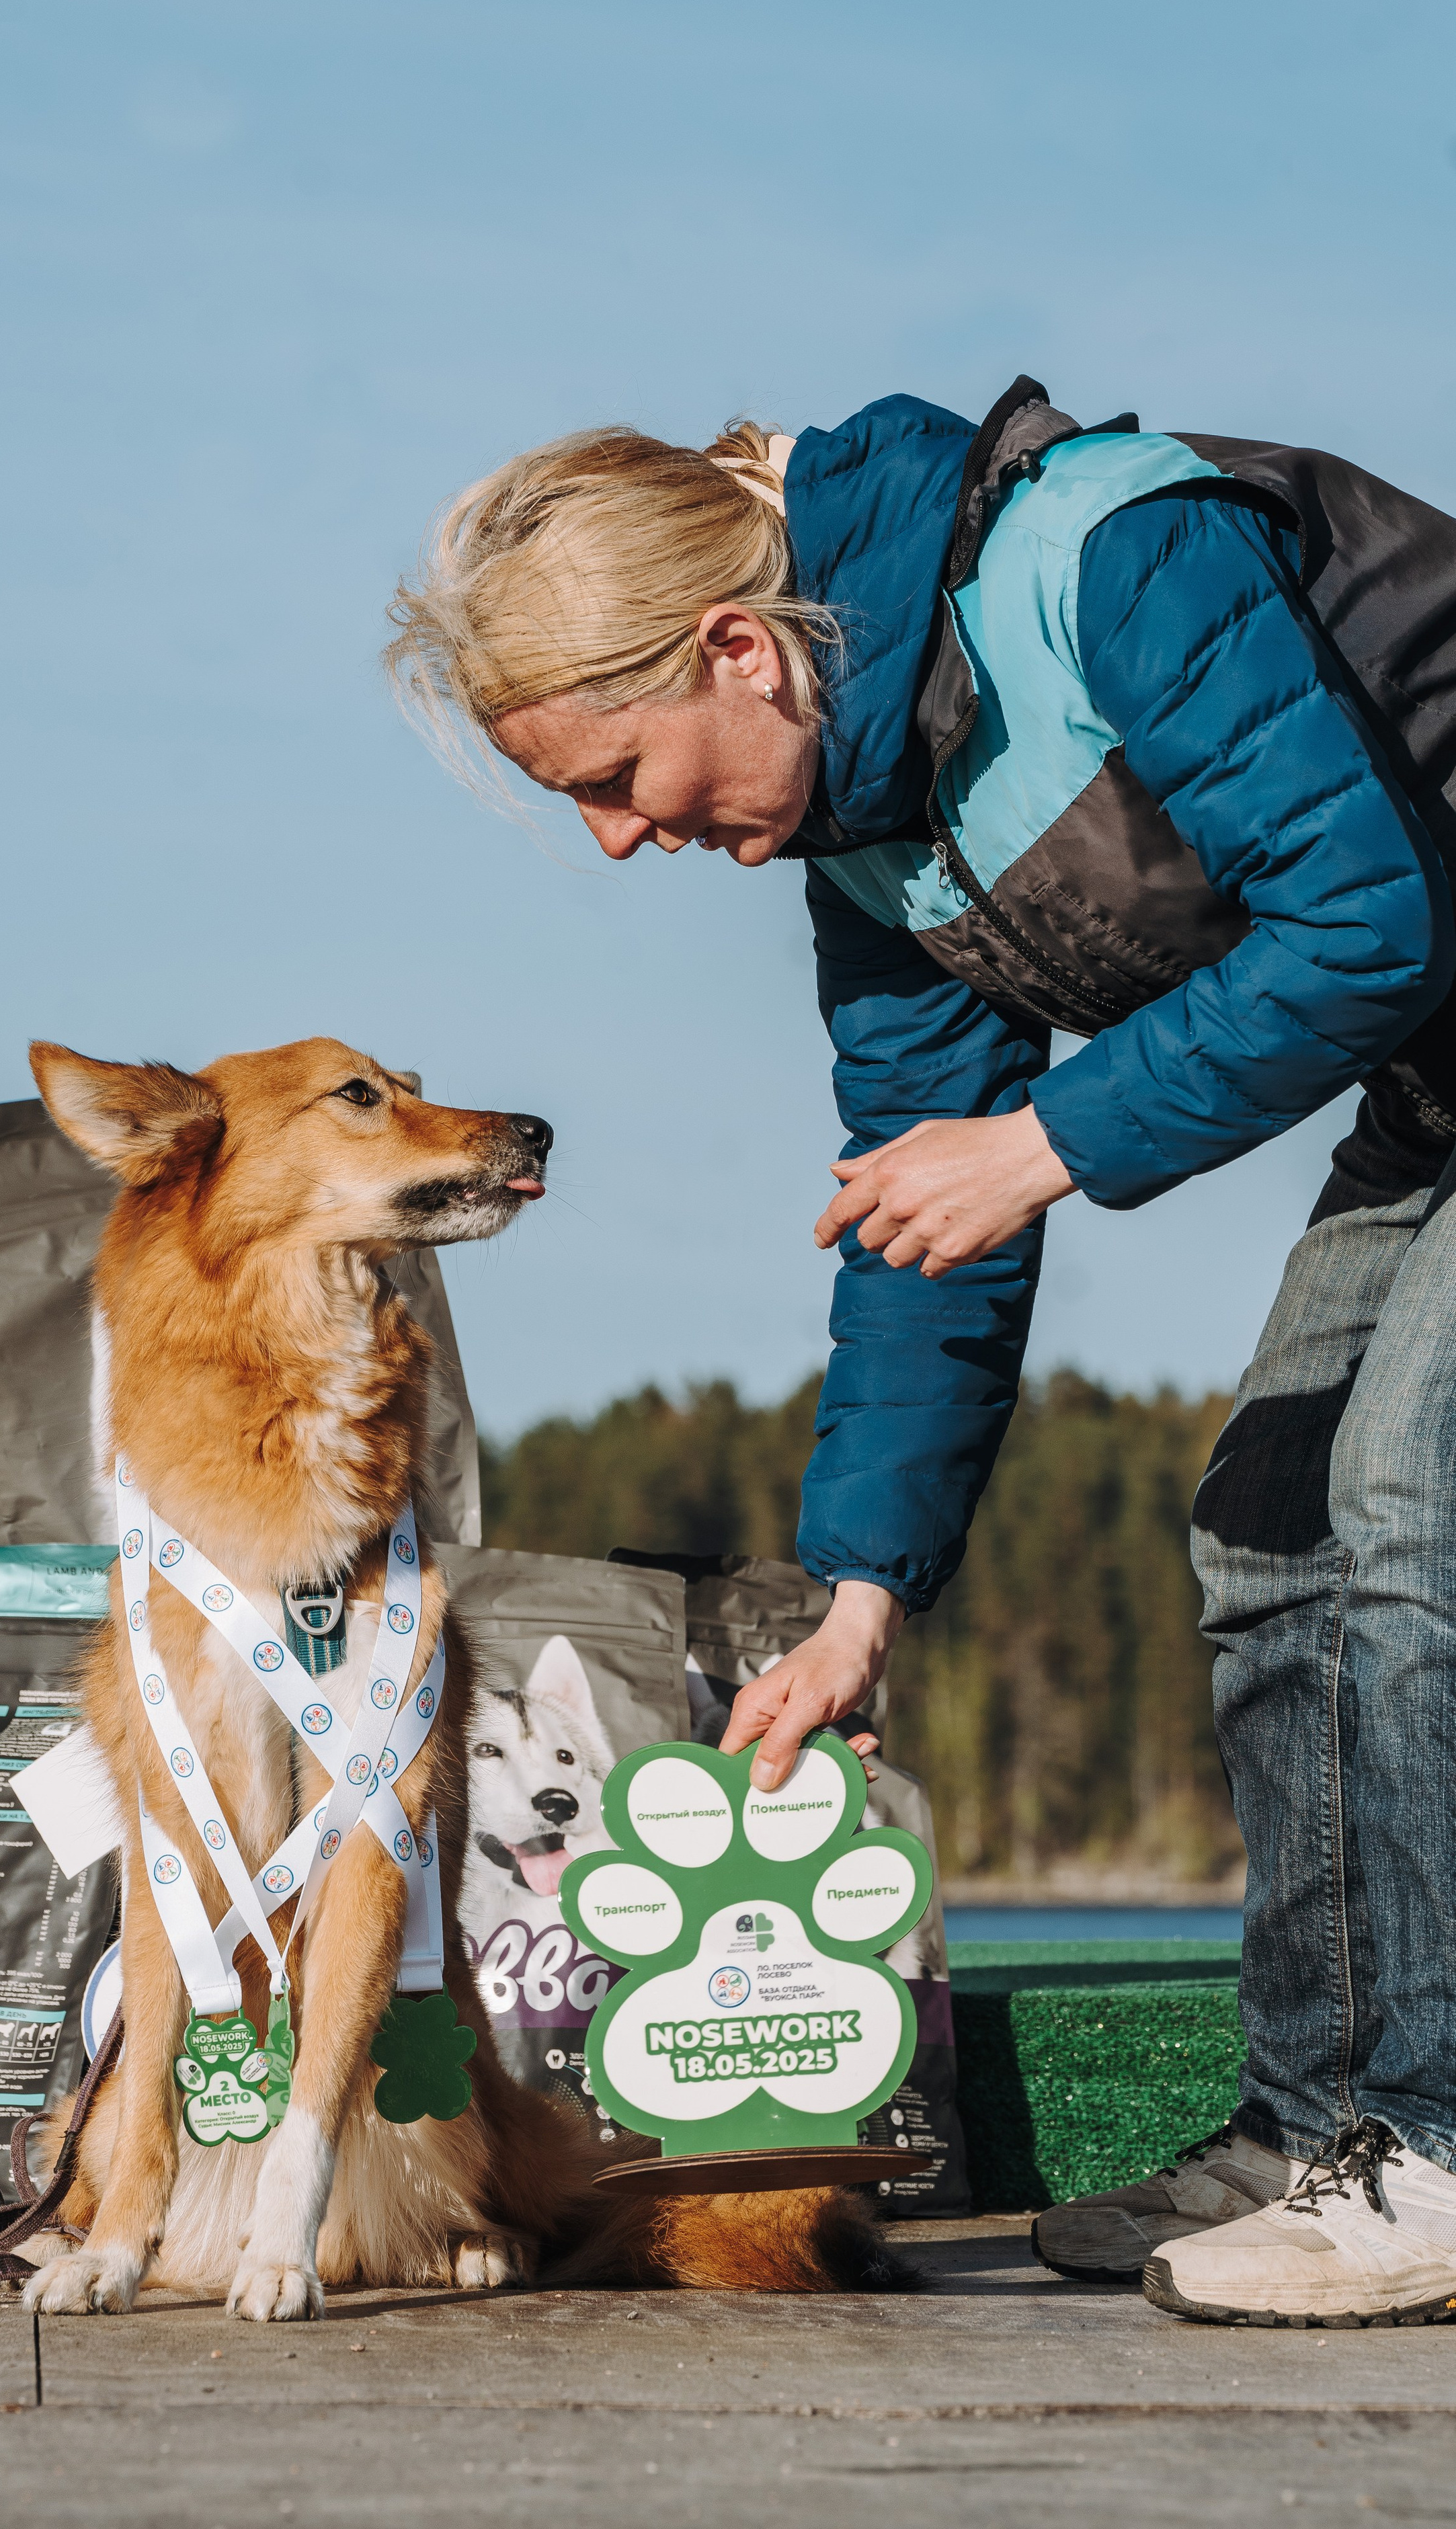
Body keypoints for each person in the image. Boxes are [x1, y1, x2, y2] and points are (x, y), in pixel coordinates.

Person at [386, 377, 1456, 2328]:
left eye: (615, 779)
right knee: (1270, 1523)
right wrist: (859, 1597)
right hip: (1442, 1075)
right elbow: (918, 1219)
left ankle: (1442, 2150)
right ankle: (1321, 2129)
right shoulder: (873, 839)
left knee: (1404, 1500)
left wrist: (1046, 1140)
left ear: (736, 650)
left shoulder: (1107, 553)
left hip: (1428, 986)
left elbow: (1370, 917)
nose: (624, 844)